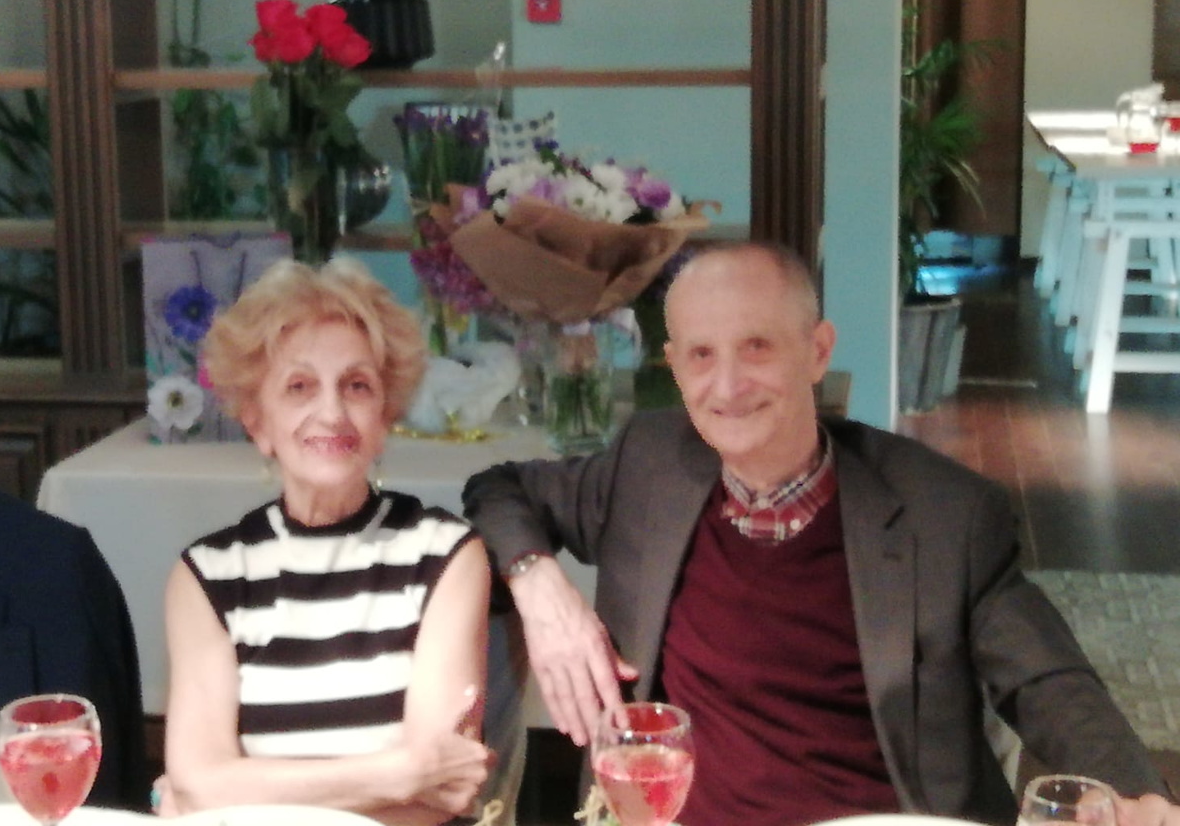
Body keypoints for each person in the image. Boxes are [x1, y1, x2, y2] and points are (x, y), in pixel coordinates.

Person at [463, 242, 1178, 826]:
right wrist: (539, 584)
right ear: (674, 367)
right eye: (702, 355)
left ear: (816, 350)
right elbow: (498, 490)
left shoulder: (943, 513)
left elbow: (1047, 679)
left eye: (757, 347)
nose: (728, 385)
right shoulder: (648, 465)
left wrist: (1136, 796)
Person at [155, 257, 494, 825]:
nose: (331, 412)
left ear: (384, 418)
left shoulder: (445, 555)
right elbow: (200, 787)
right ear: (257, 422)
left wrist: (235, 795)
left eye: (357, 386)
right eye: (299, 387)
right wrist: (398, 775)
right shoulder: (207, 577)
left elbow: (441, 798)